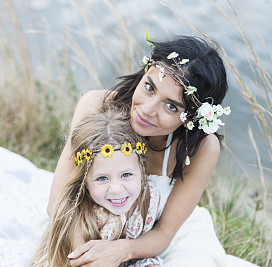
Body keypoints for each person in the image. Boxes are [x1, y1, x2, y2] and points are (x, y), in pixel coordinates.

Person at [48, 35, 258, 267]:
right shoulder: (97, 106)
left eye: (171, 106)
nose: (147, 110)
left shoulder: (203, 148)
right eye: (149, 88)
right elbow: (59, 203)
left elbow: (165, 233)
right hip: (89, 229)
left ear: (193, 118)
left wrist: (121, 251)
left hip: (156, 239)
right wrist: (85, 257)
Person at [31, 106, 162, 267]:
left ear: (142, 169)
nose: (116, 189)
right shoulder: (85, 217)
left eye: (126, 175)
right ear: (84, 181)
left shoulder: (150, 196)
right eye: (102, 178)